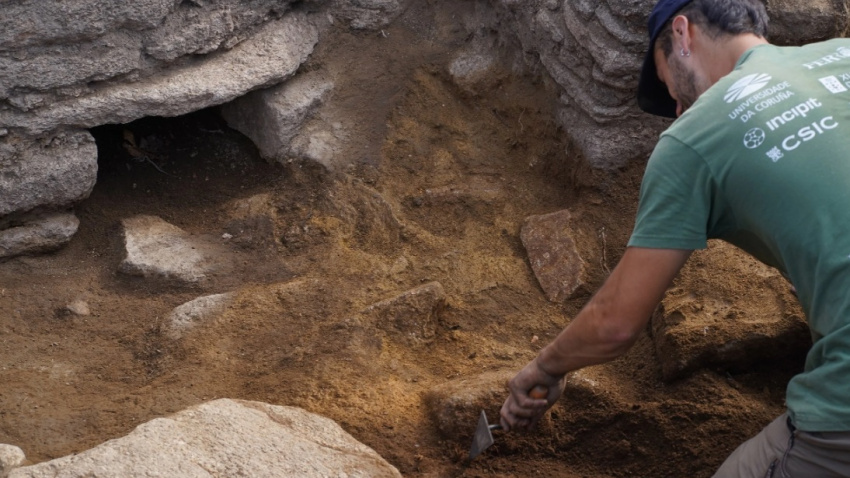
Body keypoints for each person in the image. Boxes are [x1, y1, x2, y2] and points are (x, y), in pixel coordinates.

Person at [498, 0, 850, 475]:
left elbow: (616, 323)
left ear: (682, 34)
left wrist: (544, 369)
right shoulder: (841, 54)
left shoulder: (695, 134)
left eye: (670, 89)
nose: (679, 110)